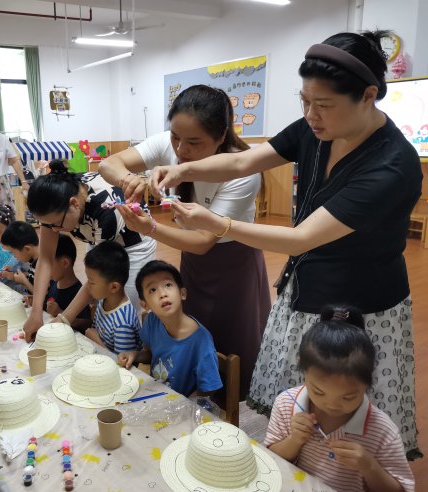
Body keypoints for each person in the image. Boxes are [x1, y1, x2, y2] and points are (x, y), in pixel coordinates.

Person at [150, 30, 421, 455]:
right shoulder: (316, 128)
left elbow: (301, 238)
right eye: (304, 101)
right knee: (300, 406)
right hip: (307, 285)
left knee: (348, 418)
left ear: (369, 96)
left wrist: (217, 223)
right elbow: (243, 160)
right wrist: (183, 171)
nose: (311, 114)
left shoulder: (392, 165)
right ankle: (295, 456)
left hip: (364, 305)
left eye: (323, 104)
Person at [101, 85, 270, 399]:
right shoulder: (169, 143)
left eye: (194, 142)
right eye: (176, 137)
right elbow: (107, 164)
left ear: (221, 136)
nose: (180, 149)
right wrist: (129, 179)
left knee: (232, 338)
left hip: (233, 261)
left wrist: (151, 228)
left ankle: (228, 403)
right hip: (193, 258)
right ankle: (190, 392)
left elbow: (204, 240)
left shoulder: (243, 170)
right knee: (189, 327)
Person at [265, 306, 414, 491]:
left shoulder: (382, 431)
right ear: (303, 371)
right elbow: (269, 460)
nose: (332, 404)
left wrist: (369, 466)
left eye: (348, 397)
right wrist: (294, 440)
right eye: (319, 392)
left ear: (367, 383)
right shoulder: (286, 404)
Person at [23, 160, 157, 341]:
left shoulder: (106, 210)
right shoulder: (58, 198)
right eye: (46, 225)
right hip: (98, 235)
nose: (53, 230)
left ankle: (129, 348)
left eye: (56, 224)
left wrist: (64, 319)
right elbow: (46, 258)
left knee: (122, 307)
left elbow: (99, 274)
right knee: (99, 300)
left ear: (74, 204)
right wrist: (36, 312)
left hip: (134, 244)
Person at [118, 260, 223, 397]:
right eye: (152, 290)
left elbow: (209, 388)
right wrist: (135, 355)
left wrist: (185, 403)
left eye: (168, 285)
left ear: (182, 293)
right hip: (155, 396)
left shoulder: (201, 341)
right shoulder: (152, 321)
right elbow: (152, 354)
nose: (162, 294)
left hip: (181, 405)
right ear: (145, 305)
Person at [81, 241, 141, 354]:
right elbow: (94, 330)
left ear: (113, 287)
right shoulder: (104, 298)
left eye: (91, 282)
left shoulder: (123, 323)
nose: (87, 286)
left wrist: (95, 340)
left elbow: (121, 361)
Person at [45, 233, 91, 332]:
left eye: (49, 265)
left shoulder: (79, 292)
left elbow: (86, 324)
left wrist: (60, 313)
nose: (45, 270)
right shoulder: (53, 283)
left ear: (65, 263)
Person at [0, 221, 40, 293]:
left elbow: (43, 296)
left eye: (13, 252)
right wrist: (13, 274)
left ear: (27, 249)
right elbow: (33, 276)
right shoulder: (33, 260)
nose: (14, 256)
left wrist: (24, 282)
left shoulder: (42, 265)